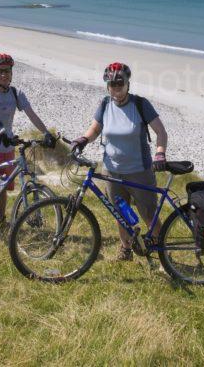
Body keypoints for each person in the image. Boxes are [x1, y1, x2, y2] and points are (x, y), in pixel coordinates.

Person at [70, 62, 168, 261]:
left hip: (139, 171)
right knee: (120, 214)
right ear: (107, 86)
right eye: (112, 84)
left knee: (149, 215)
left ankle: (163, 256)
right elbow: (95, 129)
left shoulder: (140, 104)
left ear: (127, 84)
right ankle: (125, 250)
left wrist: (160, 153)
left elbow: (161, 132)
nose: (116, 88)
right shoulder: (105, 105)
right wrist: (82, 140)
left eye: (120, 84)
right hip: (112, 171)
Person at [0, 53, 55, 227]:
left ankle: (0, 222)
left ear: (12, 72)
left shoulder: (15, 93)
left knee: (3, 188)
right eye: (0, 71)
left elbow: (31, 114)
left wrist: (46, 133)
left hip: (7, 148)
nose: (4, 74)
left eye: (7, 71)